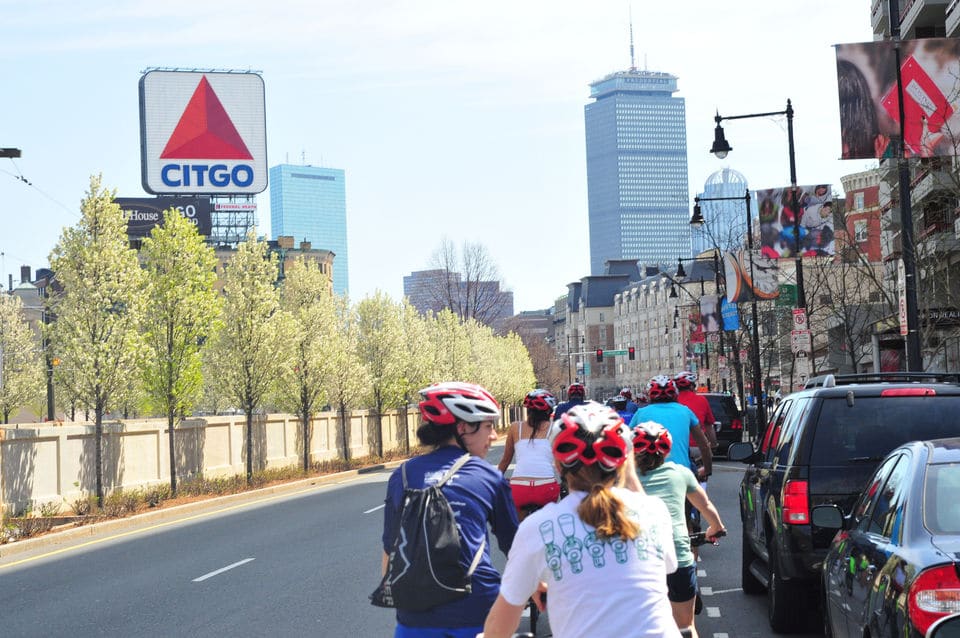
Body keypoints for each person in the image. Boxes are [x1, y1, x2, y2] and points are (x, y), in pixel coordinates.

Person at [481, 402, 681, 638]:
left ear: (558, 465)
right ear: (624, 462)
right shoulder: (654, 511)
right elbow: (669, 566)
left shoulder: (537, 527)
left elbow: (499, 625)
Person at [380, 381, 519, 638]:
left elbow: (390, 553)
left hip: (414, 616)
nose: (493, 436)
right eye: (488, 426)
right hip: (476, 610)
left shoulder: (402, 476)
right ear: (462, 427)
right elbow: (517, 550)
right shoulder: (488, 476)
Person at [633, 421, 726, 638]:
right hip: (677, 558)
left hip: (638, 562)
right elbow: (705, 506)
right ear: (667, 450)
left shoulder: (624, 478)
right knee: (686, 626)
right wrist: (716, 527)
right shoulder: (681, 473)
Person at [630, 376, 713, 482]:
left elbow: (626, 443)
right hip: (681, 474)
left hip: (647, 474)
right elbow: (704, 446)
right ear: (675, 393)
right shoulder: (685, 411)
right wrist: (707, 470)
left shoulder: (641, 413)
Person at [498, 389, 561, 519]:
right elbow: (562, 462)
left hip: (519, 488)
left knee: (520, 528)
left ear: (528, 410)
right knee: (546, 527)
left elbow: (505, 460)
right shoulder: (556, 428)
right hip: (546, 488)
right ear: (549, 411)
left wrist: (494, 482)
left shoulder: (515, 427)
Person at [674, 371, 719, 453]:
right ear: (691, 386)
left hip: (677, 447)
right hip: (697, 446)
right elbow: (709, 427)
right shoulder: (702, 400)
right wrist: (713, 445)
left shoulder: (672, 402)